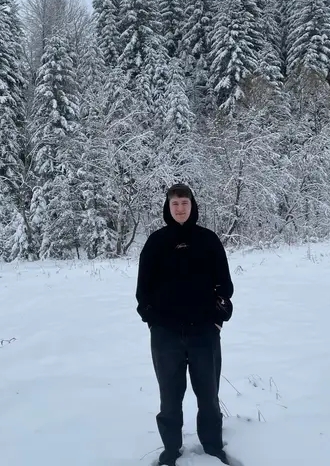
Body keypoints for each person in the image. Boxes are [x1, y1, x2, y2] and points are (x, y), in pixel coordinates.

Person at [136, 183, 234, 466]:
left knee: (208, 396)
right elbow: (143, 291)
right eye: (175, 204)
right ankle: (170, 451)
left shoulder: (208, 240)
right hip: (165, 335)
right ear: (168, 207)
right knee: (169, 399)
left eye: (184, 203)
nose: (180, 209)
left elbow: (224, 285)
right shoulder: (156, 242)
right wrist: (153, 322)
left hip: (204, 332)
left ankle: (213, 447)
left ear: (193, 205)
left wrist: (217, 319)